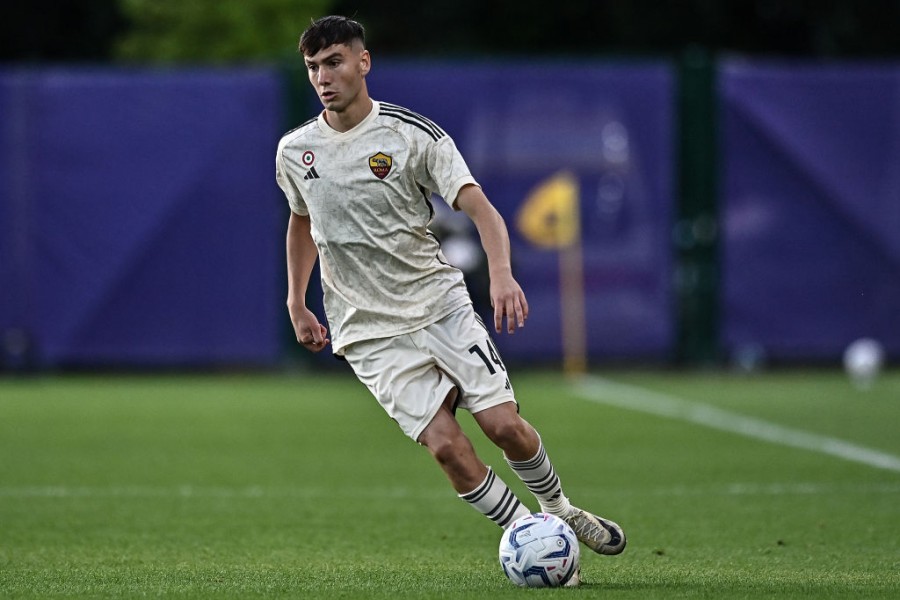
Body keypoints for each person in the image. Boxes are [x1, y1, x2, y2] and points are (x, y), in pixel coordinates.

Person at [275, 14, 626, 575]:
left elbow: (480, 208)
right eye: (313, 67)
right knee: (445, 446)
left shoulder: (412, 135)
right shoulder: (295, 151)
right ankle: (526, 536)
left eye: (334, 62)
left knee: (502, 426)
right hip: (366, 328)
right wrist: (297, 301)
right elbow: (300, 221)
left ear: (363, 63)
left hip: (439, 305)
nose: (323, 76)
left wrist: (503, 273)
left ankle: (558, 509)